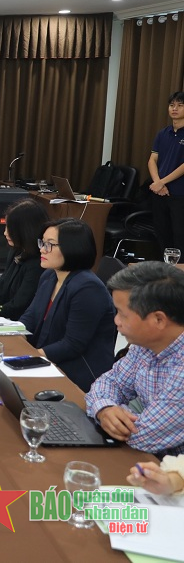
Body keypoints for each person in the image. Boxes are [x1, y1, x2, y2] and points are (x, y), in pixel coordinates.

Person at [85, 261, 184, 457]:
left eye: (123, 314)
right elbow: (110, 382)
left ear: (159, 320)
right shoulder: (145, 345)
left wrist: (113, 416)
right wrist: (105, 409)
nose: (116, 321)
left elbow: (142, 435)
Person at [18, 218, 116, 392]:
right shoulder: (49, 276)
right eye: (42, 242)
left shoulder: (88, 288)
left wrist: (28, 357)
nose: (42, 249)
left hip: (77, 373)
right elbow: (30, 317)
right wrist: (13, 336)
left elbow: (73, 345)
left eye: (50, 244)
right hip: (50, 359)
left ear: (72, 248)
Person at [0, 198, 48, 319]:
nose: (5, 233)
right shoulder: (16, 250)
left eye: (10, 228)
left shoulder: (39, 263)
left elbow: (20, 305)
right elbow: (1, 289)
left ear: (26, 230)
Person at [149, 91, 184, 251]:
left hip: (179, 194)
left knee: (179, 235)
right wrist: (158, 182)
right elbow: (152, 160)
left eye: (180, 105)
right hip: (160, 192)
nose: (174, 109)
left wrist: (162, 182)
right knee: (162, 234)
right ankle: (164, 265)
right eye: (171, 105)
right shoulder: (162, 133)